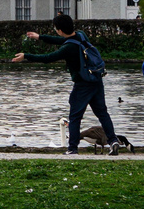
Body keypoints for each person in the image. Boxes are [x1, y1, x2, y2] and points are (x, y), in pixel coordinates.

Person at [13, 13, 118, 156]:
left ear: (60, 30)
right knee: (102, 113)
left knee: (75, 117)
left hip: (82, 84)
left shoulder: (68, 48)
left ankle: (72, 148)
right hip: (96, 80)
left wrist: (26, 56)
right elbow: (61, 40)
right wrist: (40, 37)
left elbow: (47, 58)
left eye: (56, 29)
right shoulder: (81, 35)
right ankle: (113, 141)